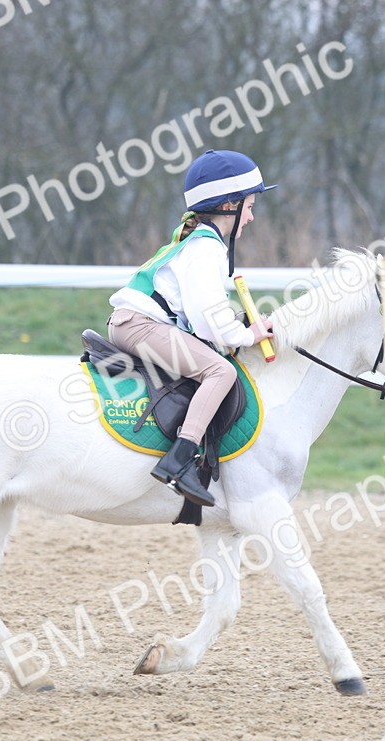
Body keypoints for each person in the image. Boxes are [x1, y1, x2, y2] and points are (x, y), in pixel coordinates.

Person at [107, 150, 276, 507]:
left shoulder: (199, 241)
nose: (252, 216)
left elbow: (205, 316)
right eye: (249, 205)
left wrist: (236, 328)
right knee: (219, 371)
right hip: (140, 325)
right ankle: (179, 459)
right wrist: (249, 335)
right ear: (229, 205)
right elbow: (206, 318)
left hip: (134, 323)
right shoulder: (206, 248)